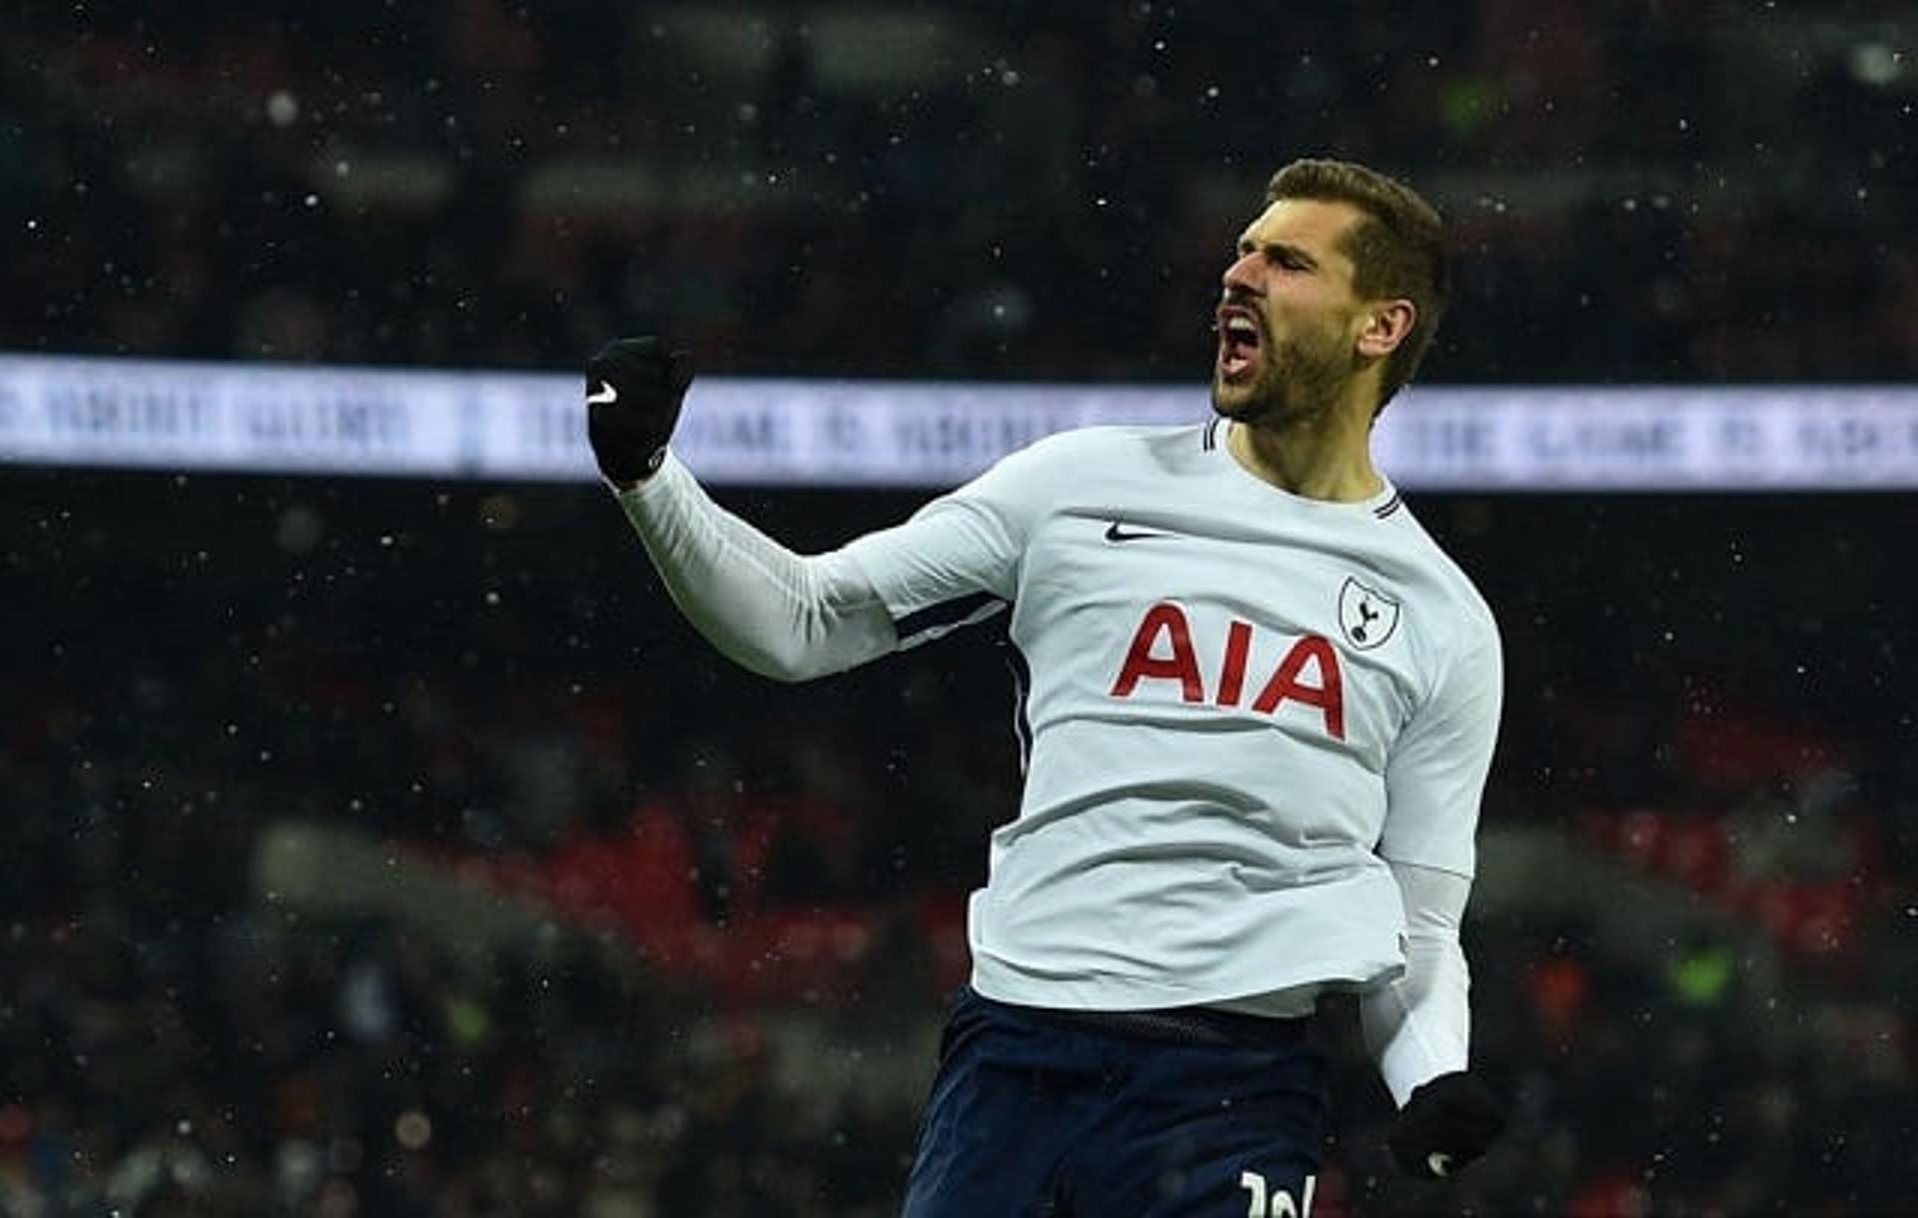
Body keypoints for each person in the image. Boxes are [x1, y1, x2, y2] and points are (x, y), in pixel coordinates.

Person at [584, 157, 1507, 1215]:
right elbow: (804, 622)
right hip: (1018, 1054)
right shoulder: (1075, 487)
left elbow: (1422, 924)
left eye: (1285, 260)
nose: (1238, 274)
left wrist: (1429, 1076)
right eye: (1242, 249)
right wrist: (648, 477)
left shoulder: (1443, 618)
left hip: (1234, 1089)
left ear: (1379, 327)